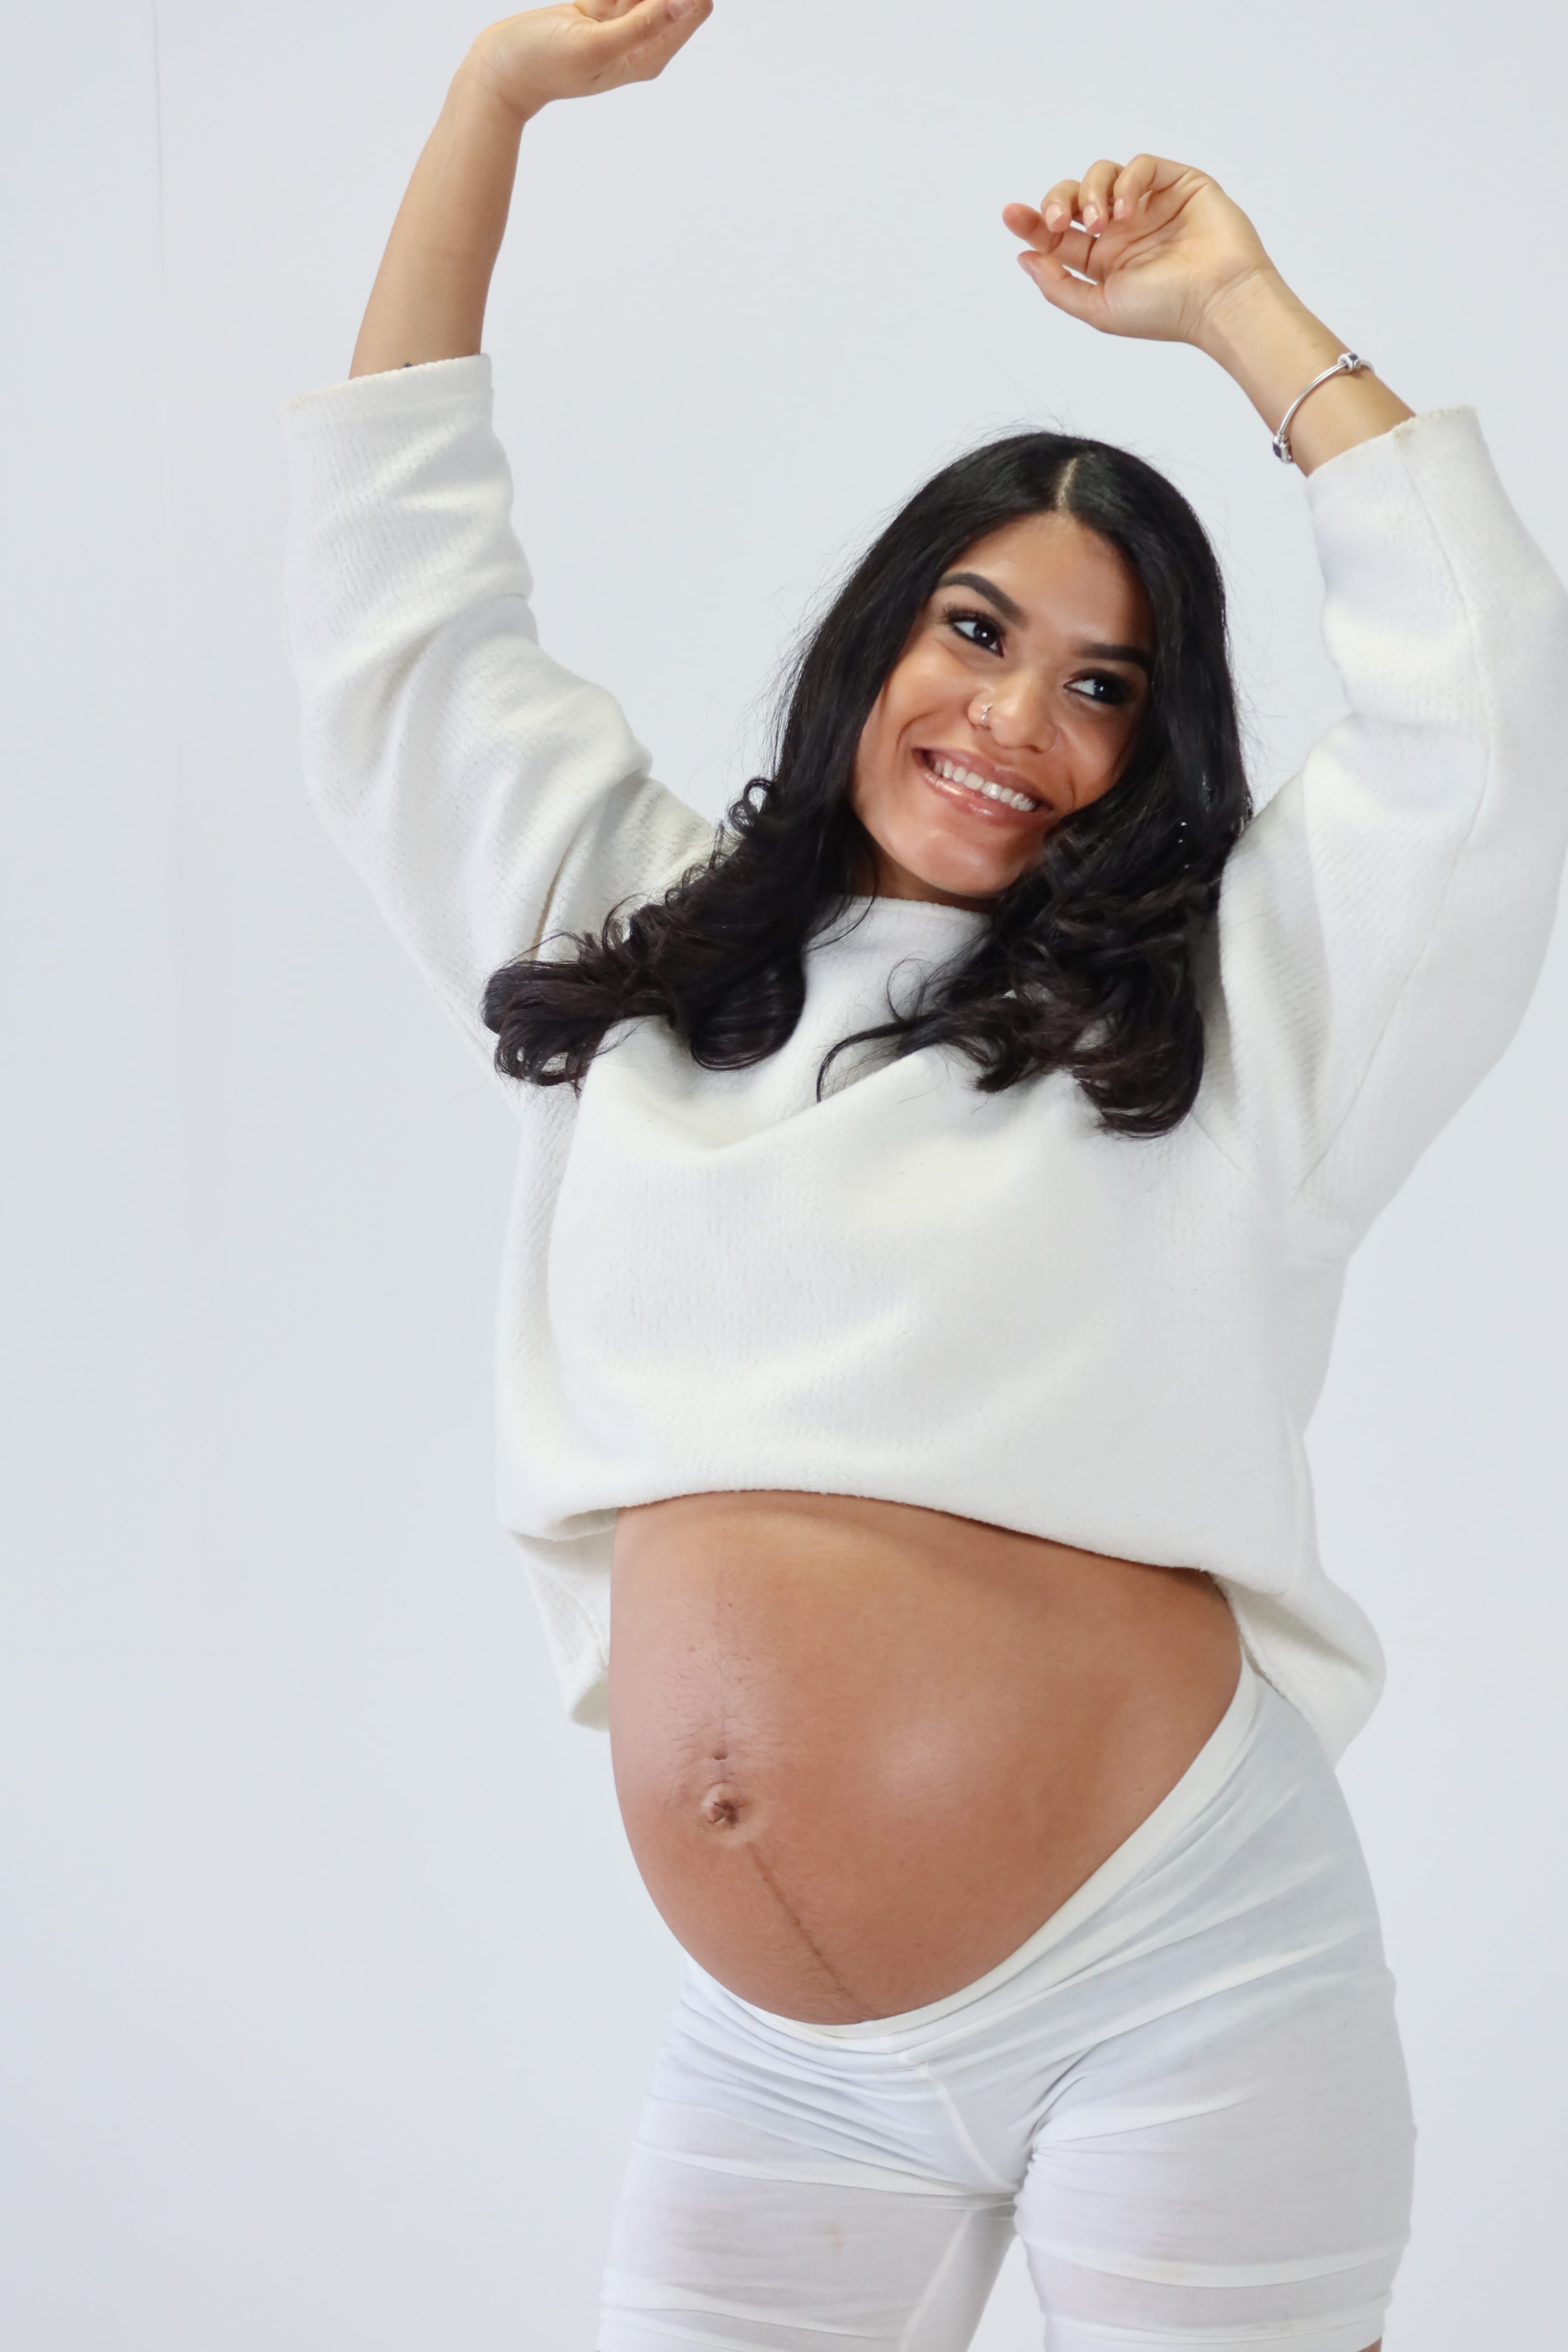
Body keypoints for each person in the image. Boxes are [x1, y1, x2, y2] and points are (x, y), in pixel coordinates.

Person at [281, 4, 1568, 2346]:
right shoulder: (644, 941)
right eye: (980, 634)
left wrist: (1238, 314)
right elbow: (399, 599)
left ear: (1157, 747)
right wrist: (490, 104)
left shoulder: (1241, 1005)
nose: (1018, 721)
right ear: (882, 641)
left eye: (1105, 686)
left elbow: (1484, 705)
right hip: (792, 2058)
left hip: (1183, 1982)